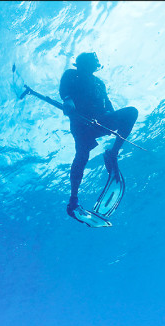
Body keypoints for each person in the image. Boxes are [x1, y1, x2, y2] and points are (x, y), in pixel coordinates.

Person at [59, 52, 138, 220]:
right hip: (80, 126)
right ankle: (73, 201)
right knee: (82, 155)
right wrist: (67, 100)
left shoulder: (99, 84)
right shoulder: (70, 75)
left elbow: (107, 105)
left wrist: (109, 117)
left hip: (99, 123)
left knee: (131, 113)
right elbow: (64, 91)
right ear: (80, 65)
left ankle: (112, 153)